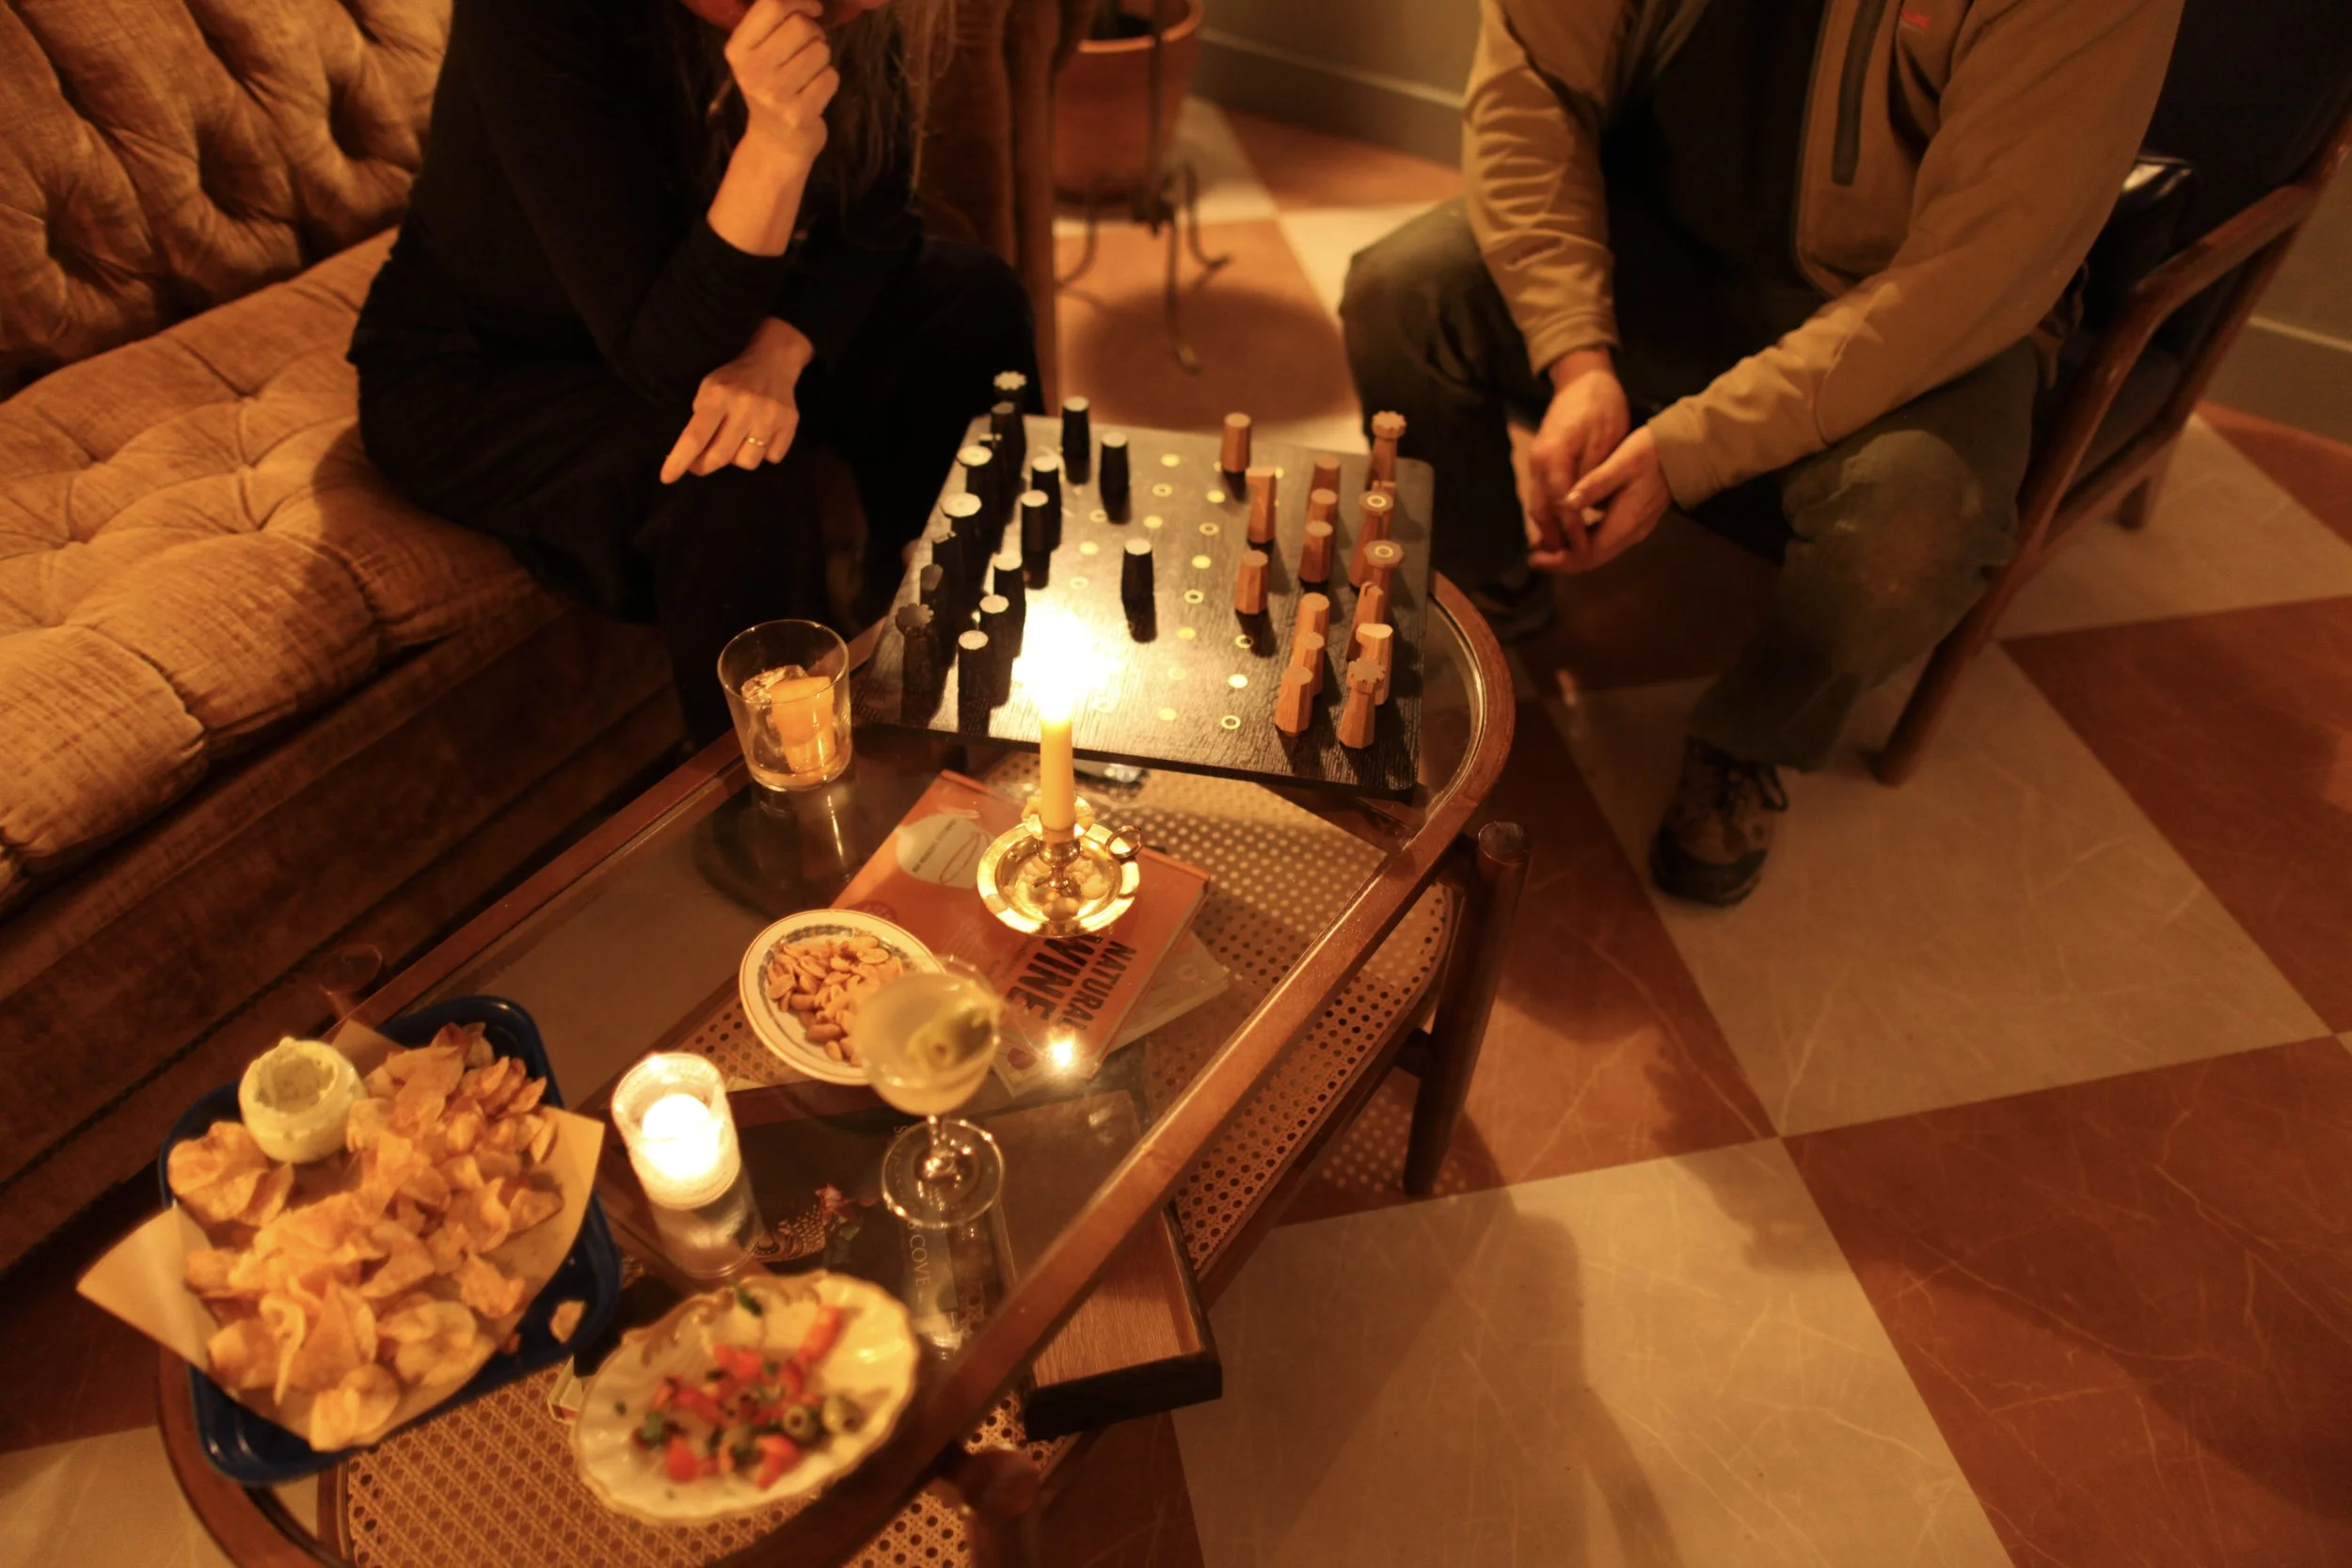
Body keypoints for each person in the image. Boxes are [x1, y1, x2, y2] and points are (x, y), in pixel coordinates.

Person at [1343, 0, 2181, 904]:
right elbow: (1532, 92)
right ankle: (1486, 595)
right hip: (1659, 229)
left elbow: (1971, 275)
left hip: (1920, 307)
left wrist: (1690, 447)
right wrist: (1576, 352)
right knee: (1403, 294)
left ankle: (1750, 738)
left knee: (1919, 530)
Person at [350, 0, 1038, 743]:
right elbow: (665, 360)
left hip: (709, 314)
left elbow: (880, 218)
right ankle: (786, 792)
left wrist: (779, 352)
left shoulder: (839, 12)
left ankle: (954, 661)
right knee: (732, 469)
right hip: (493, 367)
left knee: (968, 302)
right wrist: (776, 145)